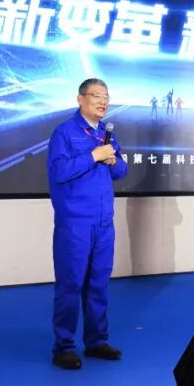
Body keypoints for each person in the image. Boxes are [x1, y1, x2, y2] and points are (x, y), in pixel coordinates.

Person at [46, 78, 128, 369]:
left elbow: (121, 171)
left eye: (106, 96)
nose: (103, 101)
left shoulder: (107, 133)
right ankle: (64, 347)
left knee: (98, 283)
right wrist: (93, 156)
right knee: (70, 284)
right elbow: (59, 171)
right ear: (80, 99)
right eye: (96, 95)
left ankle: (96, 341)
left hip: (104, 223)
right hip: (75, 223)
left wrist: (113, 161)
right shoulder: (64, 132)